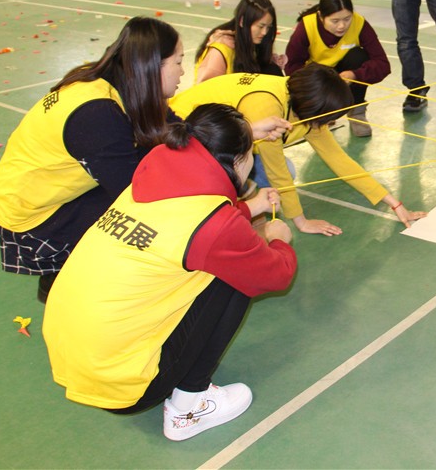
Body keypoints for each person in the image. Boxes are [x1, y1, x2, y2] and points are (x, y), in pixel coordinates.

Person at [41, 103, 297, 441]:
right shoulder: (214, 226)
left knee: (207, 259)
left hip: (74, 356)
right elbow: (273, 274)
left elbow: (196, 210)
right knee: (235, 276)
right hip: (124, 383)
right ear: (238, 161)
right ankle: (190, 407)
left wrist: (251, 207)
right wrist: (280, 242)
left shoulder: (149, 178)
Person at [0, 17, 184, 303]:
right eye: (178, 62)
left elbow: (175, 129)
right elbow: (137, 195)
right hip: (31, 217)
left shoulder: (114, 81)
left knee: (155, 159)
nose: (183, 71)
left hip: (41, 193)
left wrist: (243, 132)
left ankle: (67, 274)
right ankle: (60, 277)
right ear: (152, 66)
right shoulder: (97, 114)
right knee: (143, 211)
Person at [169, 65, 425, 236]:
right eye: (328, 119)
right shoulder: (267, 107)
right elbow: (276, 170)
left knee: (282, 171)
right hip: (181, 132)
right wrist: (301, 221)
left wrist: (394, 203)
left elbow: (339, 160)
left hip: (225, 136)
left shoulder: (305, 104)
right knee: (273, 174)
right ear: (315, 111)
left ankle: (241, 187)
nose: (330, 125)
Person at [285, 0, 391, 138]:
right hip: (318, 77)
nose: (342, 26)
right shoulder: (306, 26)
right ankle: (322, 111)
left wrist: (354, 74)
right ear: (321, 16)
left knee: (358, 56)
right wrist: (313, 88)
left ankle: (357, 111)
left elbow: (382, 63)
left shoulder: (359, 23)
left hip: (344, 75)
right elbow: (292, 67)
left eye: (347, 19)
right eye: (335, 21)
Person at [194, 0, 285, 82]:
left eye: (268, 27)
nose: (264, 32)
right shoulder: (219, 51)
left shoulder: (254, 43)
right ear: (242, 21)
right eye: (261, 26)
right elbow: (206, 91)